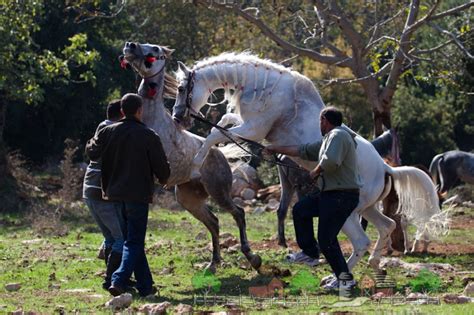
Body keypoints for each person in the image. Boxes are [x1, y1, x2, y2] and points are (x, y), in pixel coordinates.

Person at [264, 106, 361, 291]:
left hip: (341, 196)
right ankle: (310, 253)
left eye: (320, 121)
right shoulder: (328, 139)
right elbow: (303, 150)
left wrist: (314, 173)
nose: (319, 125)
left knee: (326, 240)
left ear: (325, 120)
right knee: (301, 210)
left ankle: (345, 280)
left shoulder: (338, 135)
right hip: (330, 195)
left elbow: (330, 161)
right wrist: (274, 148)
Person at [86, 93, 170, 297]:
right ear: (140, 111)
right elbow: (163, 171)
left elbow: (91, 152)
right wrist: (164, 179)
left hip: (114, 195)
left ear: (122, 111)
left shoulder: (107, 131)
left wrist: (95, 138)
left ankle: (146, 287)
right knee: (133, 242)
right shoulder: (149, 135)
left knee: (131, 241)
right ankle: (118, 279)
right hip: (138, 196)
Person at [83, 100, 125, 290]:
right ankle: (112, 280)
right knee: (120, 239)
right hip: (101, 191)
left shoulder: (101, 129)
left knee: (110, 237)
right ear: (122, 114)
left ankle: (112, 276)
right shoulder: (114, 132)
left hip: (89, 189)